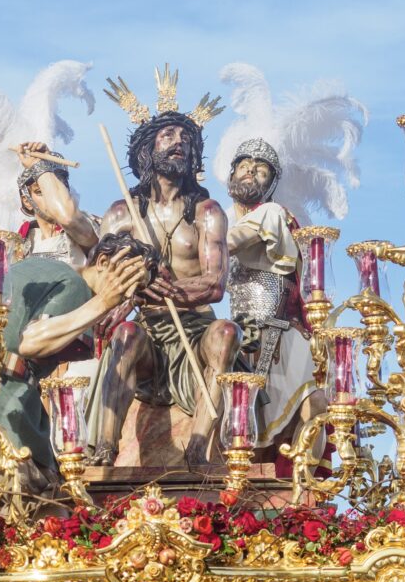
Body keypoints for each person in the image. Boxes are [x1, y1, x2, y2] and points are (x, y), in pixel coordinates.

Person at [88, 102, 240, 465]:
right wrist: (134, 290)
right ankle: (105, 451)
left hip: (196, 328)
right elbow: (99, 278)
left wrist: (164, 287)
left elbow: (214, 284)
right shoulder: (122, 212)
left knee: (227, 333)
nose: (179, 143)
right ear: (147, 150)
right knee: (125, 336)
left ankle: (199, 449)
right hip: (149, 329)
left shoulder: (208, 212)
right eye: (168, 135)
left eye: (186, 138)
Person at [0, 232, 158, 495]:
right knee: (45, 508)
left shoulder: (46, 271)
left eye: (136, 290)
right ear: (101, 261)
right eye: (126, 282)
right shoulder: (74, 284)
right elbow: (29, 342)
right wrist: (103, 302)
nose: (126, 296)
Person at [224, 138, 327, 472]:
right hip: (241, 339)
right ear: (231, 173)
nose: (251, 172)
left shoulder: (270, 213)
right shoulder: (222, 217)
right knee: (243, 426)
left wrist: (194, 239)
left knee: (311, 403)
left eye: (261, 169)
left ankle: (305, 485)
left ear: (271, 184)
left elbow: (230, 243)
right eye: (244, 166)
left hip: (280, 335)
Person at [0, 133, 99, 268]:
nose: (49, 197)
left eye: (57, 189)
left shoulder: (88, 227)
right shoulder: (16, 243)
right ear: (27, 201)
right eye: (40, 192)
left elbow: (67, 218)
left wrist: (39, 166)